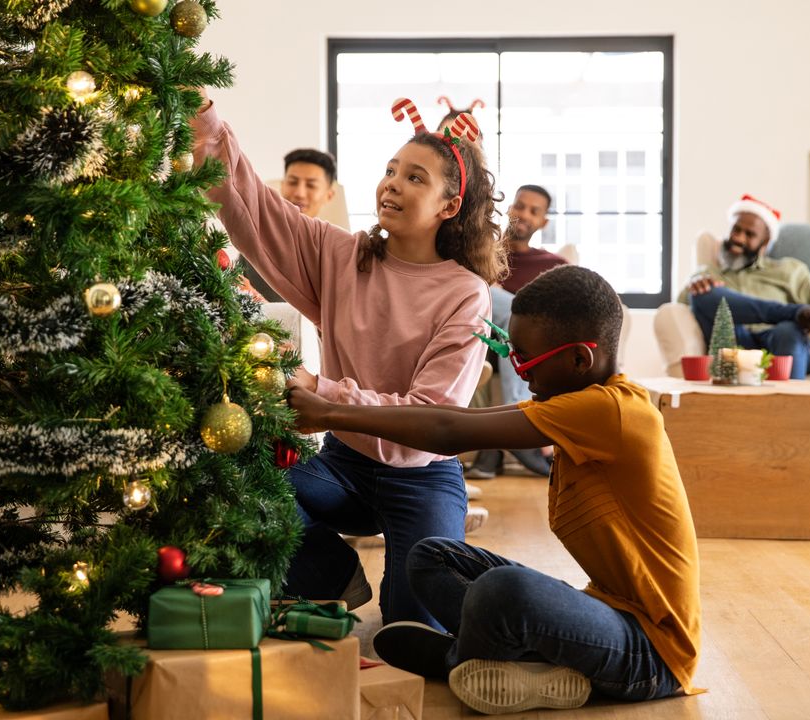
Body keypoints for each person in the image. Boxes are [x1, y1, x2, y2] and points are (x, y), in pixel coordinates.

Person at [286, 265, 700, 715]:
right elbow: (459, 420)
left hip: (652, 655)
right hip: (605, 613)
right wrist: (332, 411)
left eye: (525, 362)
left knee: (507, 590)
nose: (521, 373)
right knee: (432, 556)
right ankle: (505, 662)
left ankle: (462, 658)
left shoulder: (611, 411)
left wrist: (330, 412)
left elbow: (448, 430)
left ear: (581, 360)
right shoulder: (580, 404)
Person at [193, 93, 506, 627]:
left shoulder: (465, 293)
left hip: (423, 478)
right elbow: (252, 205)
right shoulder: (341, 254)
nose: (392, 183)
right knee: (238, 490)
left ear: (448, 206)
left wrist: (323, 390)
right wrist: (204, 115)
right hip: (344, 465)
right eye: (390, 170)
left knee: (411, 626)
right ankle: (334, 577)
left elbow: (429, 415)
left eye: (414, 178)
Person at [679, 194, 810, 379]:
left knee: (789, 331)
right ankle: (797, 313)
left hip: (783, 345)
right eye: (736, 229)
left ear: (765, 243)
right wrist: (693, 287)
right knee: (702, 293)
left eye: (749, 234)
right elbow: (680, 307)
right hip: (736, 345)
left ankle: (790, 402)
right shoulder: (708, 273)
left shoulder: (788, 271)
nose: (739, 238)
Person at [464, 184, 566, 479]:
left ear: (543, 222)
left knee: (520, 314)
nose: (524, 214)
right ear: (509, 208)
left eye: (534, 211)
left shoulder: (552, 265)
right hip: (478, 340)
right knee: (493, 297)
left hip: (521, 351)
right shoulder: (482, 252)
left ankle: (490, 454)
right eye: (520, 206)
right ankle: (518, 419)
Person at [244, 148, 341, 303]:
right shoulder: (254, 244)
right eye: (293, 182)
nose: (299, 193)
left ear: (329, 195)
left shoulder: (339, 253)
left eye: (311, 185)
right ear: (282, 186)